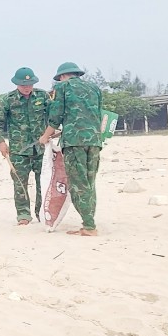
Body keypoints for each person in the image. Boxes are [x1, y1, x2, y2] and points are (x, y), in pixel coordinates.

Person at [39, 62, 104, 237]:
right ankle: (89, 222)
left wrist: (45, 136)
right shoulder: (94, 88)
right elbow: (96, 115)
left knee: (78, 183)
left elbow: (56, 116)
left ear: (62, 76)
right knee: (90, 182)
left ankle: (89, 226)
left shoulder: (62, 87)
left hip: (74, 142)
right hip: (95, 140)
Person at [0, 67, 50, 225]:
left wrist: (51, 132)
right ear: (17, 84)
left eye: (30, 84)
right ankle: (23, 215)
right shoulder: (7, 99)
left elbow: (54, 115)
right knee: (20, 183)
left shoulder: (42, 96)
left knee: (43, 183)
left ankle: (42, 214)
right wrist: (1, 141)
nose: (27, 87)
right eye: (23, 84)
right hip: (18, 150)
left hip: (41, 149)